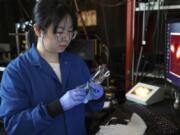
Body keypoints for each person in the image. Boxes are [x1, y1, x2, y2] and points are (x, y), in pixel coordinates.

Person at [0, 0, 105, 135]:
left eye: (70, 32)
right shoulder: (17, 72)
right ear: (38, 30)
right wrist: (55, 108)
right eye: (59, 32)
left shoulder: (77, 64)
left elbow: (90, 108)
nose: (66, 38)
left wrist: (98, 98)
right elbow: (14, 126)